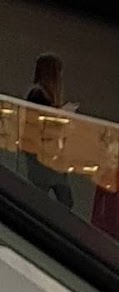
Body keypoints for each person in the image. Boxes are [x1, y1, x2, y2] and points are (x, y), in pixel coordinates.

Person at [22, 53, 76, 208]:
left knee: (49, 198)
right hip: (43, 155)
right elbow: (42, 124)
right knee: (57, 199)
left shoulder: (40, 94)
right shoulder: (38, 94)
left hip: (47, 155)